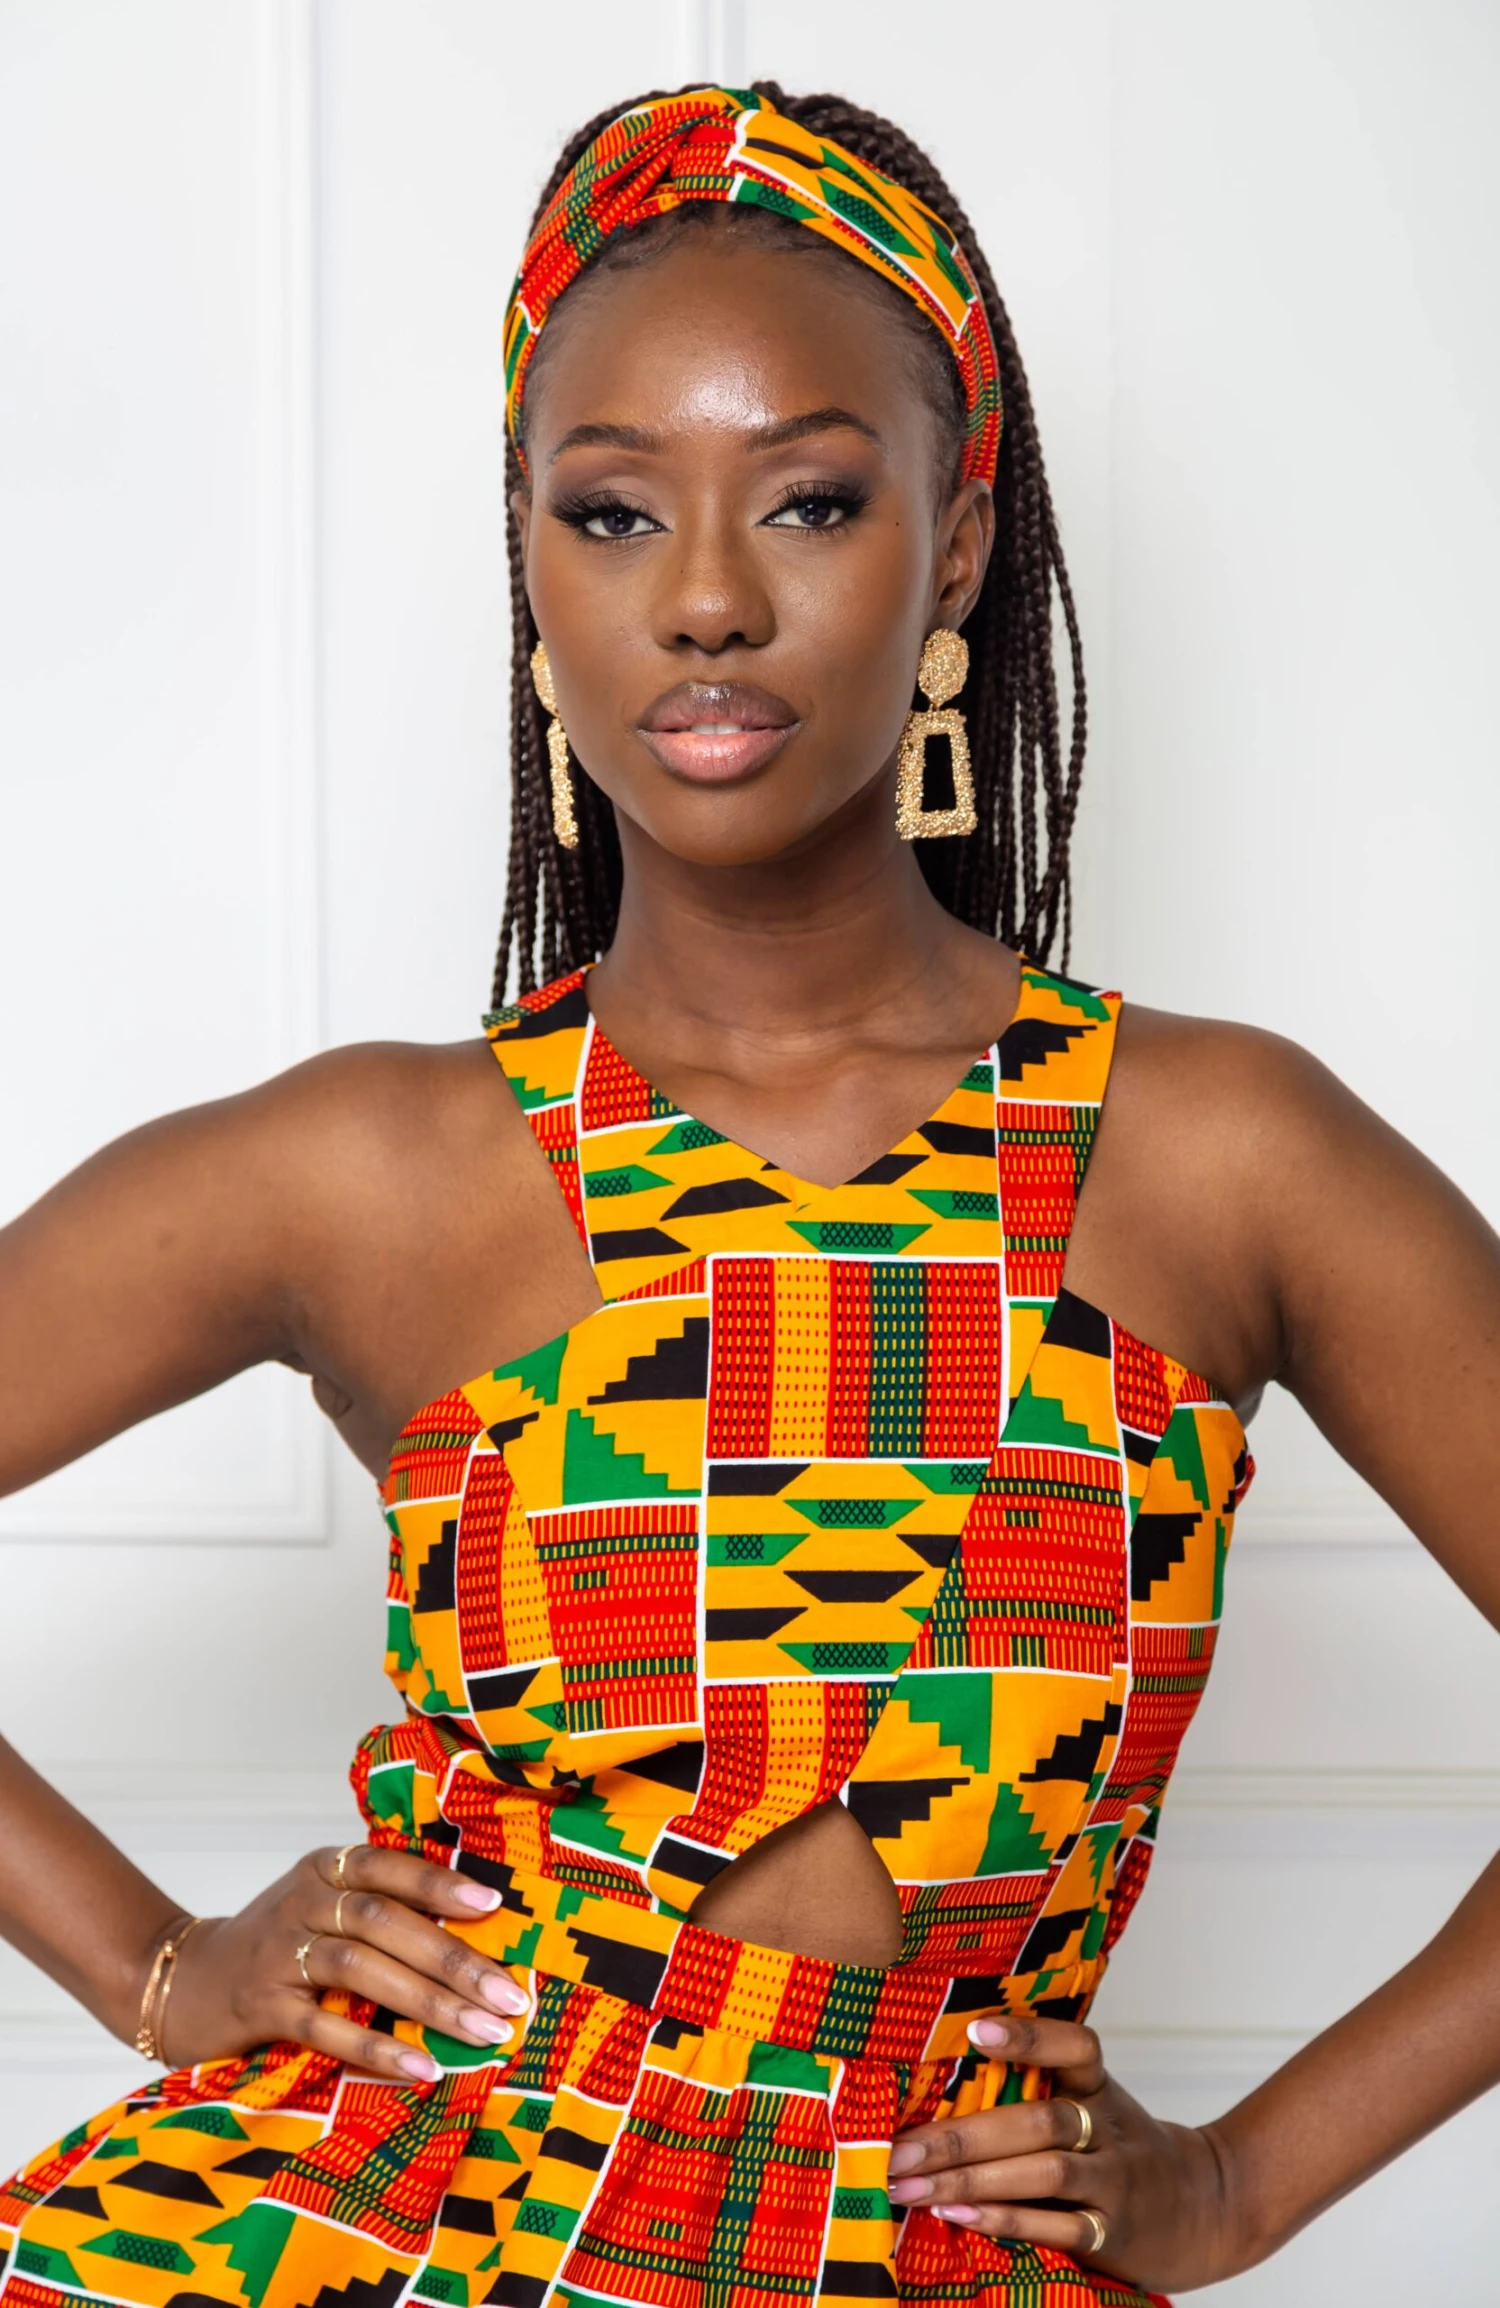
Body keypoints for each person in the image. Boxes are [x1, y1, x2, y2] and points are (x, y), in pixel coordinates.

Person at [0, 78, 1495, 2308]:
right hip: (380, 2230)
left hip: (931, 2250)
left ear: (955, 550)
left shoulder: (1219, 1156)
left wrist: (1241, 2188)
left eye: (809, 500)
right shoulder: (376, 1170)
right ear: (530, 561)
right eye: (611, 514)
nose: (704, 599)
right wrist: (154, 1964)